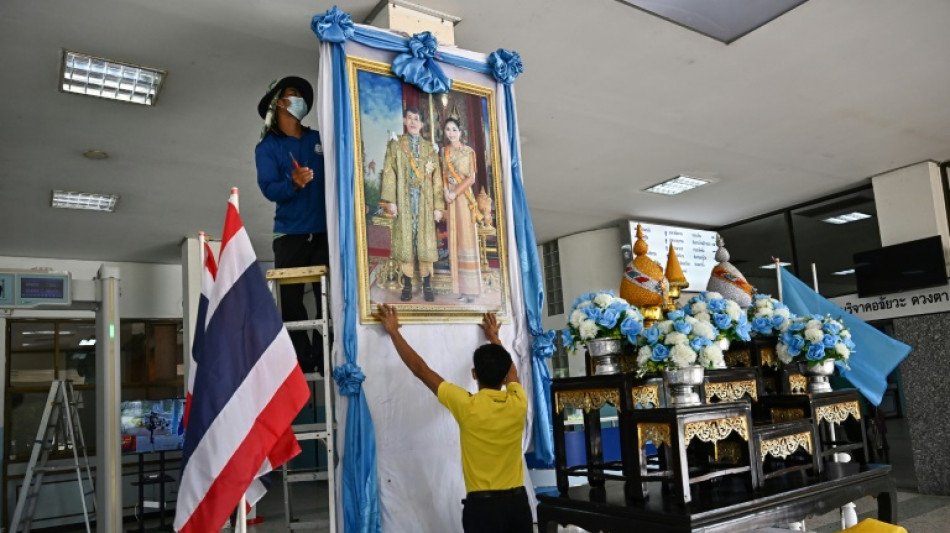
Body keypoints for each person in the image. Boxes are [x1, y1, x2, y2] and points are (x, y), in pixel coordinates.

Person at [373, 304, 532, 533]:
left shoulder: (467, 405)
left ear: (474, 374)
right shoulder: (518, 401)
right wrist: (494, 338)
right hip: (517, 504)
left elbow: (421, 370)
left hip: (482, 508)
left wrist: (394, 332)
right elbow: (512, 373)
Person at [255, 76, 327, 374]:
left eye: (301, 96)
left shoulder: (318, 140)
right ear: (279, 102)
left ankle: (327, 356)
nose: (300, 100)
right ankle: (303, 360)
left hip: (324, 231)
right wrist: (293, 183)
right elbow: (269, 188)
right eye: (293, 95)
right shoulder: (267, 147)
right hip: (289, 234)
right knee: (293, 303)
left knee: (328, 299)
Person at [380, 107, 445, 302]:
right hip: (404, 199)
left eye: (417, 119)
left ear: (422, 124)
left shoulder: (429, 149)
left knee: (425, 242)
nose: (413, 122)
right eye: (410, 118)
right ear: (405, 120)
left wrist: (438, 207)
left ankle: (427, 284)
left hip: (425, 201)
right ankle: (407, 285)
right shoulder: (396, 145)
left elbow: (437, 179)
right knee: (406, 241)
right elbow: (389, 172)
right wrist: (391, 201)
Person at [440, 118, 483, 303]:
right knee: (455, 241)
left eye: (454, 129)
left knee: (466, 240)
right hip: (451, 199)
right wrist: (445, 192)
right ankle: (461, 289)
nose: (451, 133)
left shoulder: (468, 152)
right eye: (448, 130)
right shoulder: (445, 152)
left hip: (464, 199)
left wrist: (455, 192)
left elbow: (472, 178)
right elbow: (443, 174)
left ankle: (472, 291)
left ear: (460, 131)